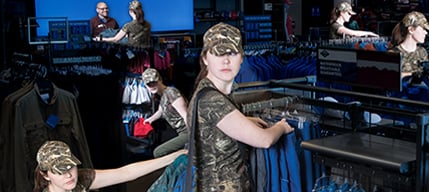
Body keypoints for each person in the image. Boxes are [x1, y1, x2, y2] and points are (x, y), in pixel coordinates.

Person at [188, 22, 294, 191]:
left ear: (242, 58)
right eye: (218, 54)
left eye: (232, 53)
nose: (226, 60)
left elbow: (217, 128)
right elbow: (264, 140)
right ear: (205, 59)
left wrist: (247, 120)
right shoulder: (212, 100)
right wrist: (281, 127)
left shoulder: (210, 92)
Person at [33, 140, 186, 192]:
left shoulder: (82, 179)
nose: (68, 175)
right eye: (60, 171)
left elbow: (125, 173)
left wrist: (172, 157)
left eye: (70, 167)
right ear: (45, 175)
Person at [140, 68, 190, 157]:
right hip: (181, 132)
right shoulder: (163, 95)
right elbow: (161, 111)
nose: (152, 86)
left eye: (154, 82)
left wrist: (192, 136)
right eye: (149, 84)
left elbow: (186, 115)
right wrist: (150, 119)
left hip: (187, 131)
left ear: (160, 80)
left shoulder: (171, 93)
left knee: (159, 152)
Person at [389, 11, 429, 77]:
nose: (426, 32)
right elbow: (391, 77)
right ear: (411, 30)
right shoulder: (394, 54)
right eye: (423, 29)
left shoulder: (422, 52)